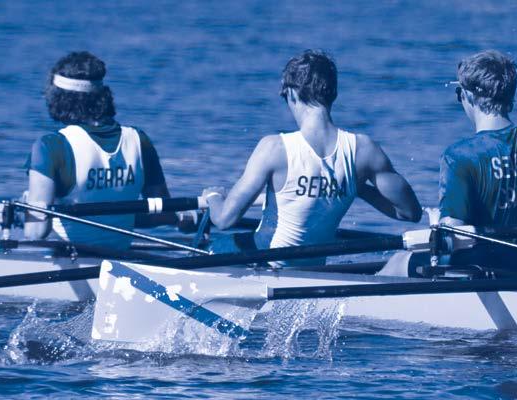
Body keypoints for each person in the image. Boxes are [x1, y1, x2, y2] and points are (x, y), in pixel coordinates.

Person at [203, 50, 422, 266]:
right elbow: (410, 212)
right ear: (333, 94)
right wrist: (357, 187)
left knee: (210, 245)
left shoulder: (273, 148)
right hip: (313, 267)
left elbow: (224, 219)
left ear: (291, 93)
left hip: (268, 263)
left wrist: (213, 197)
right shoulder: (364, 151)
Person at [383, 49, 517, 276]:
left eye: (458, 92)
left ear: (469, 96)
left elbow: (451, 241)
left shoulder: (459, 157)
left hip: (478, 274)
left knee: (398, 261)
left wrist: (437, 225)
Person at [22, 51, 176, 251]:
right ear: (103, 96)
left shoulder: (50, 146)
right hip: (118, 255)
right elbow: (163, 213)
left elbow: (35, 232)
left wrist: (26, 207)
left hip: (66, 259)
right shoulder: (139, 140)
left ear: (57, 98)